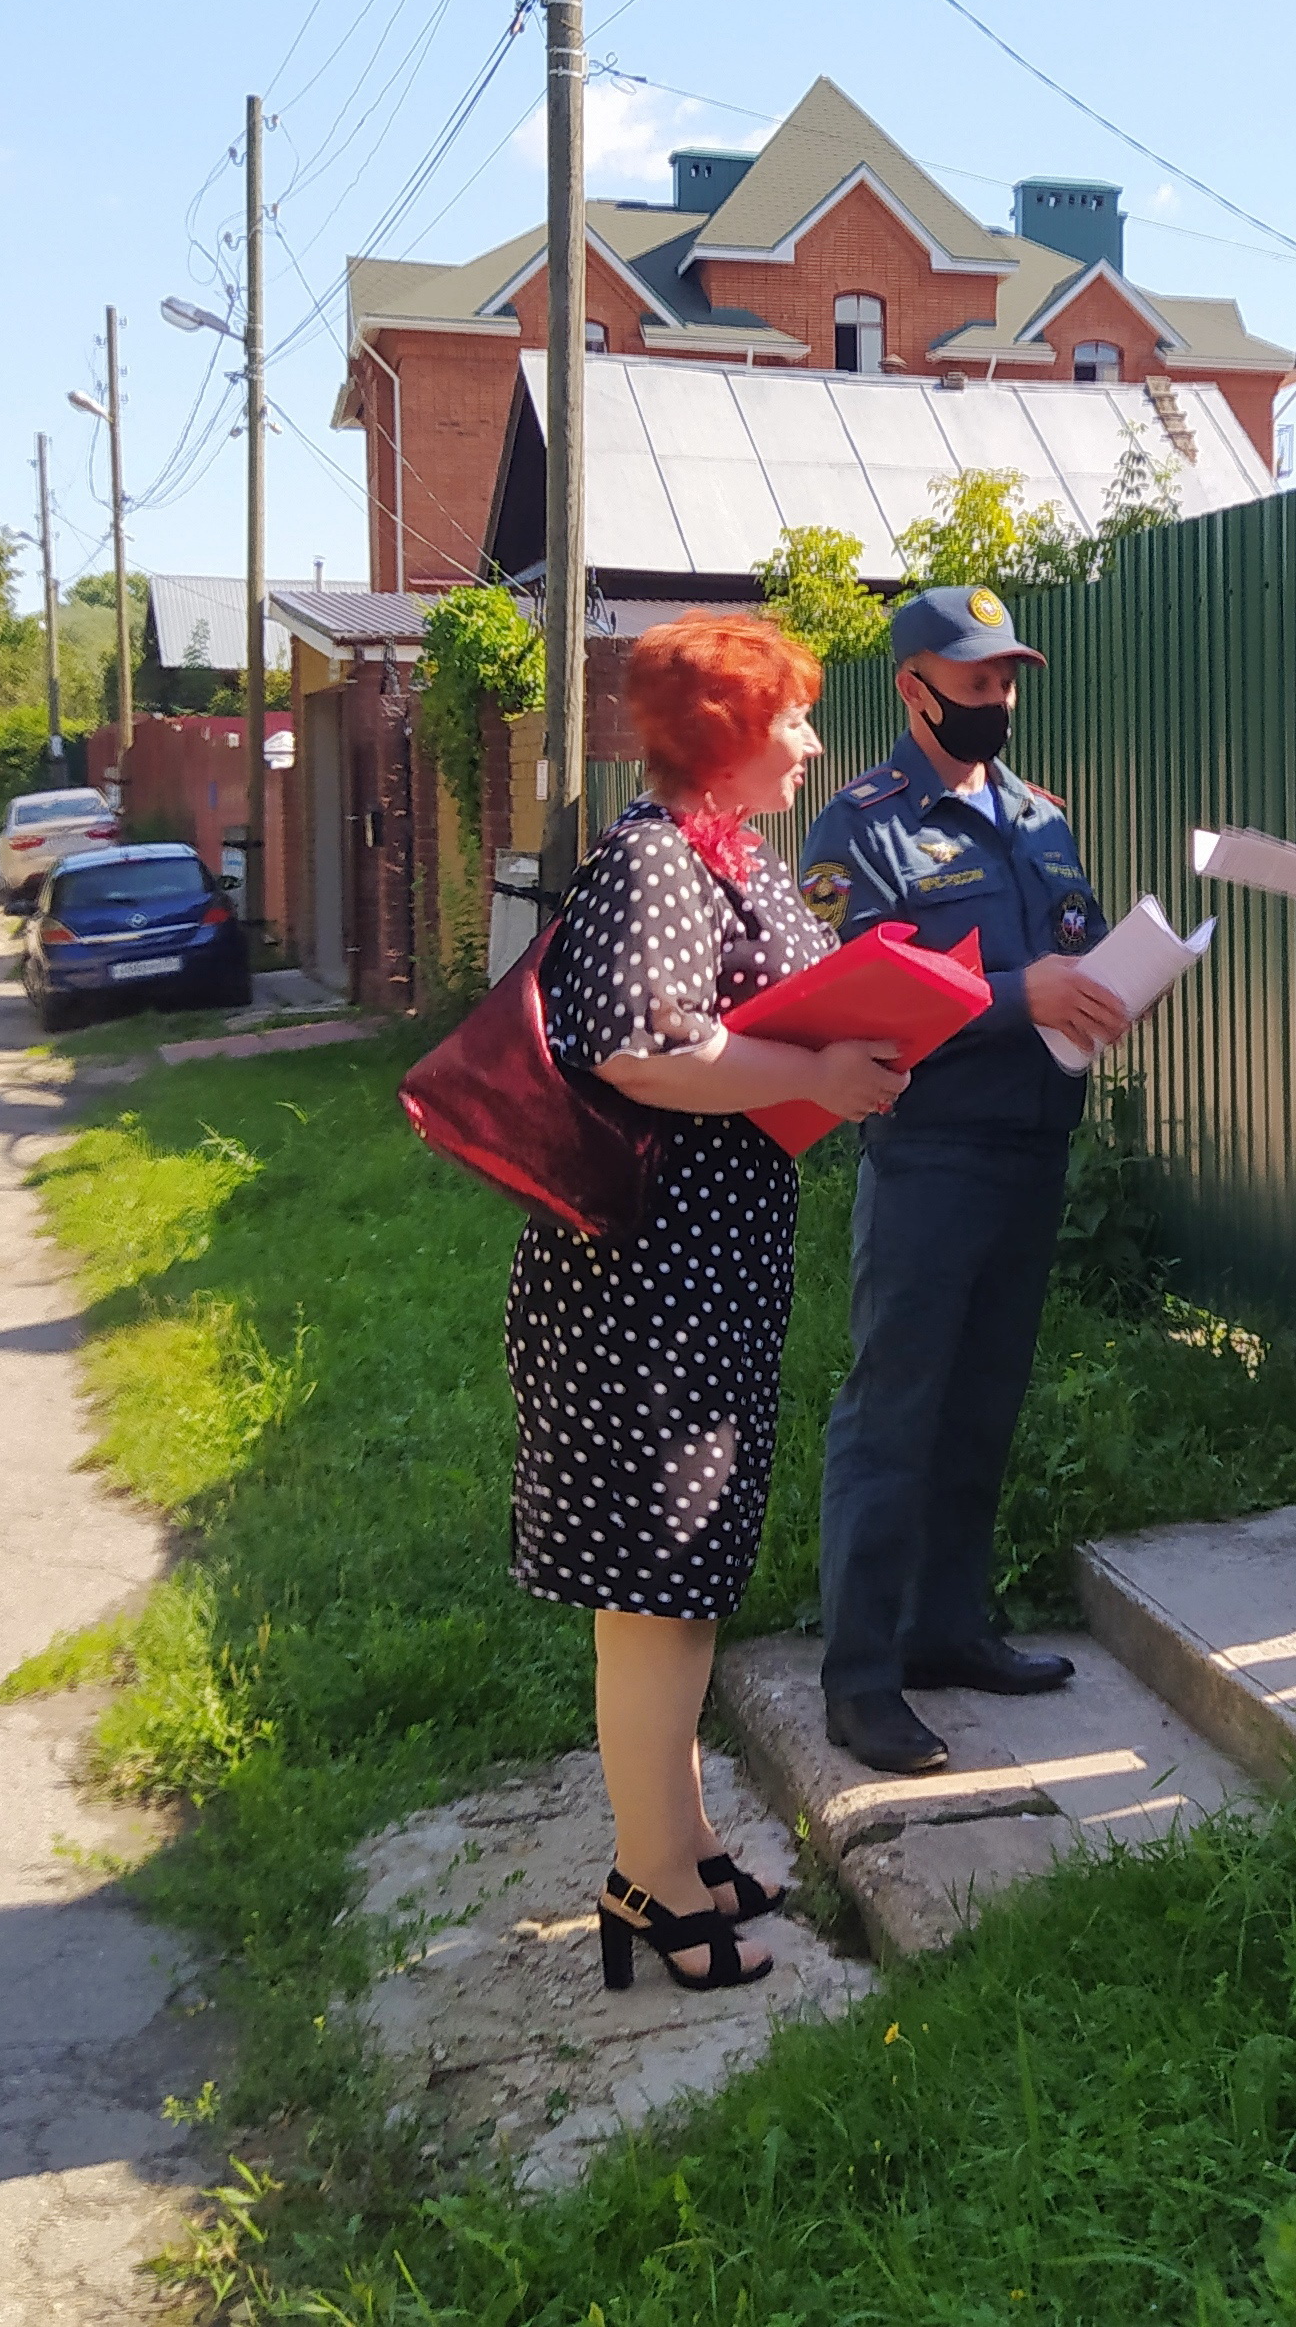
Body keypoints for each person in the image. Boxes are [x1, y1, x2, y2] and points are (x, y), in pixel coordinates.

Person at [505, 614, 911, 1993]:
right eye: (790, 718)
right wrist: (813, 1078)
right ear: (727, 736)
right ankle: (652, 1885)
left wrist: (864, 1034)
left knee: (678, 1594)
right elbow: (636, 1049)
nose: (809, 740)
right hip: (644, 1290)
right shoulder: (654, 859)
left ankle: (674, 1840)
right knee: (654, 1597)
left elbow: (774, 1009)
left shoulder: (723, 853)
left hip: (703, 1275)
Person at [797, 586, 1130, 1774]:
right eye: (976, 680)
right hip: (930, 1153)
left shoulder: (1041, 818)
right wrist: (1017, 995)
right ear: (915, 687)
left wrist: (1105, 989)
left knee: (982, 1403)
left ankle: (946, 1628)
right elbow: (856, 997)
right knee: (896, 1413)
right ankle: (862, 1677)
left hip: (1033, 1146)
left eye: (1006, 680)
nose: (998, 700)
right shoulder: (861, 829)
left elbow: (1076, 947)